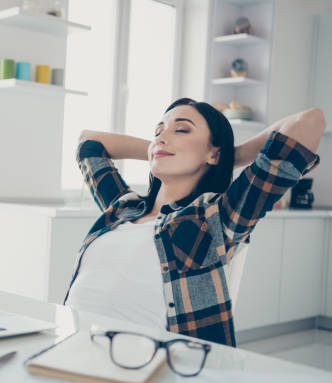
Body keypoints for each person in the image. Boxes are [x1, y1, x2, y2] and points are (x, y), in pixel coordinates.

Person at [64, 97, 325, 346]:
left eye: (182, 130)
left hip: (146, 366)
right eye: (158, 132)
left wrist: (232, 156)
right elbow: (89, 142)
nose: (162, 137)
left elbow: (309, 122)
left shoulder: (215, 219)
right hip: (72, 347)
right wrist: (159, 149)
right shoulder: (123, 207)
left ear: (214, 154)